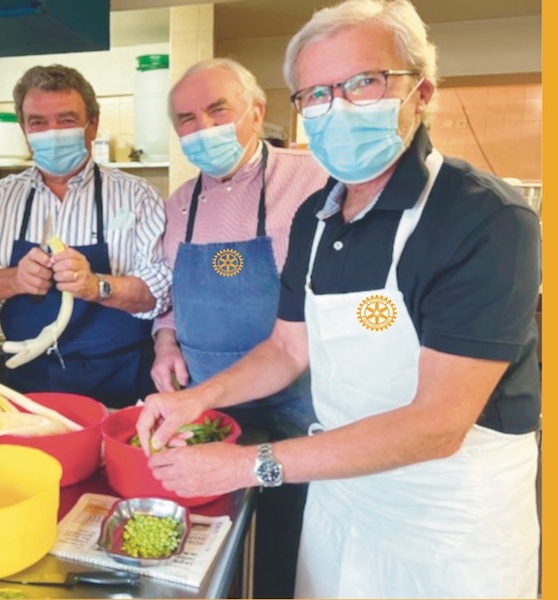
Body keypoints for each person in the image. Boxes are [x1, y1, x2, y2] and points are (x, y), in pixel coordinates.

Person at [135, 1, 541, 598]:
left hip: (445, 513)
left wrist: (249, 464)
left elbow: (438, 425)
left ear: (420, 92)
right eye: (317, 94)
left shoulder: (484, 219)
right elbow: (286, 346)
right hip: (340, 481)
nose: (339, 107)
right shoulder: (318, 216)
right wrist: (198, 397)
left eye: (364, 82)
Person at [153, 58, 327, 598]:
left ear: (257, 111)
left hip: (301, 399)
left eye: (217, 109)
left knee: (296, 527)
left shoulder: (315, 181)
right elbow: (170, 295)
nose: (202, 128)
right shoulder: (180, 203)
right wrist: (165, 341)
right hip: (209, 403)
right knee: (222, 530)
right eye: (186, 118)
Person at [0, 64, 171, 409]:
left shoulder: (136, 195)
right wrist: (16, 279)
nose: (51, 132)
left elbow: (160, 293)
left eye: (66, 120)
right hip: (32, 380)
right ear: (24, 129)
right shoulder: (1, 197)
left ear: (92, 124)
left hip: (122, 377)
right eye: (38, 122)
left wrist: (97, 285)